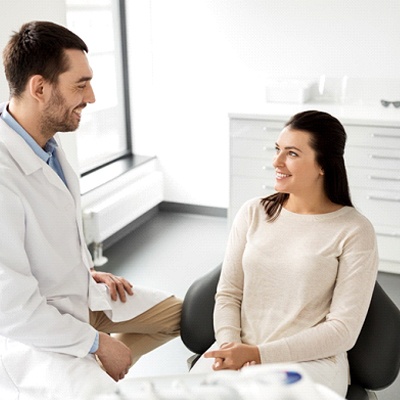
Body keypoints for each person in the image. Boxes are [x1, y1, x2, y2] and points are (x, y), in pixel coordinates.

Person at [0, 21, 181, 399]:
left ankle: (100, 361)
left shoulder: (45, 144)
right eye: (80, 85)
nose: (92, 97)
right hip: (35, 335)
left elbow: (44, 234)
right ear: (39, 88)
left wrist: (85, 271)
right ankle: (95, 368)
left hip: (79, 295)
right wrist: (96, 343)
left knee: (184, 317)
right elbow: (11, 308)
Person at [192, 110, 378, 397]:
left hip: (311, 362)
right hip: (239, 350)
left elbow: (342, 331)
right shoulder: (254, 212)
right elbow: (229, 294)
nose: (276, 162)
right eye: (278, 150)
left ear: (323, 165)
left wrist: (258, 354)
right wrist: (230, 348)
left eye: (291, 153)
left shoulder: (354, 230)